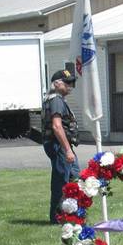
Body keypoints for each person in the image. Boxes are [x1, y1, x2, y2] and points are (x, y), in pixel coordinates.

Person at [42, 69, 79, 224]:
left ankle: (70, 213)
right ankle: (57, 217)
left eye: (72, 82)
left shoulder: (56, 99)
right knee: (61, 181)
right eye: (67, 82)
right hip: (59, 146)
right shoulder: (56, 100)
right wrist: (67, 149)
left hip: (60, 145)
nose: (70, 85)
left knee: (74, 176)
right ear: (56, 84)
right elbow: (57, 127)